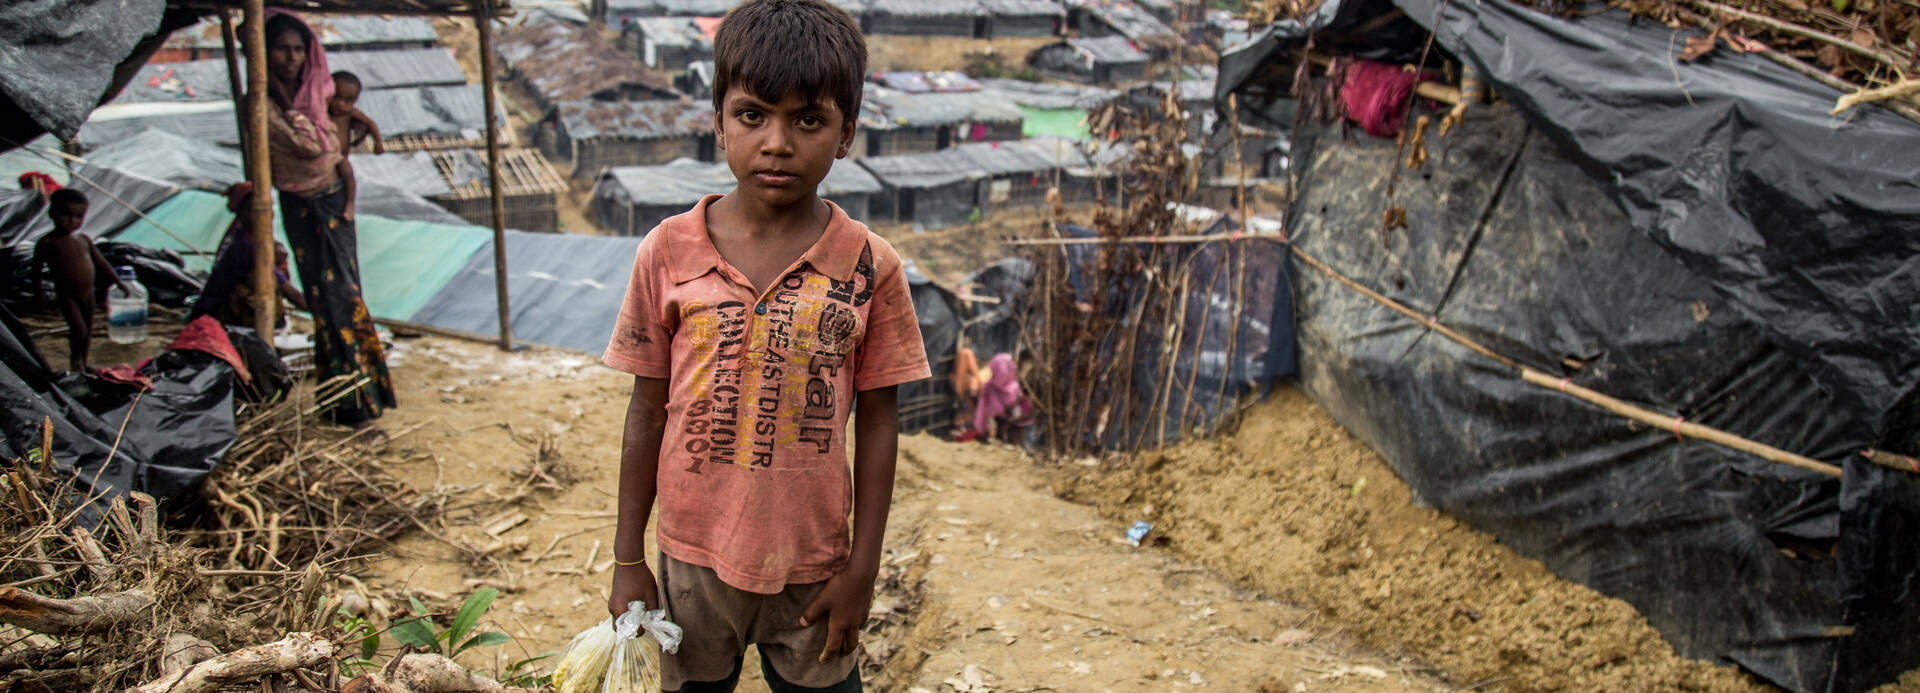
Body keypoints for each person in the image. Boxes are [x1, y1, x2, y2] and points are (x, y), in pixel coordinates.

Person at [601, 0, 929, 689]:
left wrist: (862, 568)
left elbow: (878, 418)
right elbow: (646, 408)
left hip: (814, 561)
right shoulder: (668, 250)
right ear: (719, 120)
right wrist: (627, 554)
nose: (777, 142)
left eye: (809, 119)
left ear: (846, 134)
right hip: (693, 556)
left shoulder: (870, 266)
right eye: (753, 115)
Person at [253, 9, 395, 426]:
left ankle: (357, 398)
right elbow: (313, 144)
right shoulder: (263, 100)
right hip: (302, 205)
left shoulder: (319, 93)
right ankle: (345, 400)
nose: (290, 58)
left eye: (298, 49)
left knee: (344, 296)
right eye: (281, 49)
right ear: (266, 51)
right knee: (326, 299)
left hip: (331, 201)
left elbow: (322, 142)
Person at [33, 189, 130, 372]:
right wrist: (39, 297)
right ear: (52, 213)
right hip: (67, 294)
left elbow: (101, 263)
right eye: (66, 214)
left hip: (88, 292)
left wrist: (119, 282)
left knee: (88, 329)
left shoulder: (83, 239)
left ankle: (83, 362)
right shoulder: (47, 242)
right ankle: (75, 362)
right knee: (79, 330)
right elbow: (35, 272)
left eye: (78, 216)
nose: (72, 221)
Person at [189, 182, 308, 329]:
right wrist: (321, 312)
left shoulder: (242, 234)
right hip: (218, 316)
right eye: (254, 210)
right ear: (241, 212)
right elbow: (292, 294)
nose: (266, 215)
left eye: (268, 208)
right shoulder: (246, 247)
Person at [328, 71, 385, 155]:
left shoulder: (350, 112)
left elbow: (370, 123)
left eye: (347, 101)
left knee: (346, 168)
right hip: (323, 156)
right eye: (336, 96)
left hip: (341, 156)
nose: (340, 103)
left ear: (355, 101)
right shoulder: (320, 110)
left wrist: (378, 142)